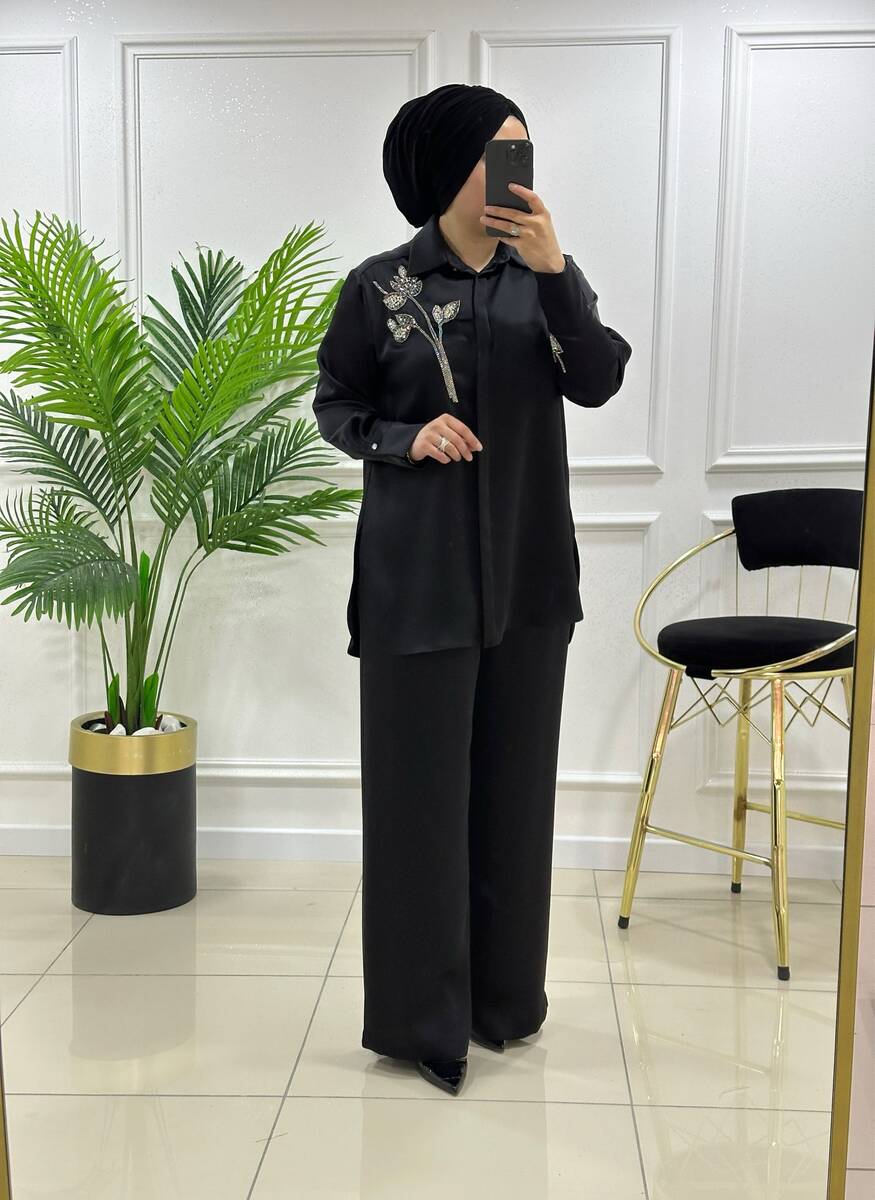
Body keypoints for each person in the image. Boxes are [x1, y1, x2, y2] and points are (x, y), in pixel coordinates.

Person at [312, 82, 632, 1095]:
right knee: (417, 809)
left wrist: (557, 273)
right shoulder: (379, 286)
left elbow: (598, 379)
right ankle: (423, 1025)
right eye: (495, 152)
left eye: (521, 152)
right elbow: (336, 405)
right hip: (417, 582)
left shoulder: (546, 282)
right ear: (447, 167)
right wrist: (405, 438)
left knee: (514, 800)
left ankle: (503, 1004)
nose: (511, 173)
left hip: (528, 580)